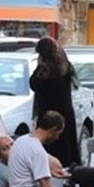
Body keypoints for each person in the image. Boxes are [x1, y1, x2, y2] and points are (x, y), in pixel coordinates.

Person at [30, 36, 80, 167]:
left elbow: (34, 83)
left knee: (52, 148)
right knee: (67, 149)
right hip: (65, 113)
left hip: (50, 116)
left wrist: (39, 67)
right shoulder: (64, 66)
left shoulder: (47, 72)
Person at [0, 135, 70, 187]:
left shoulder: (26, 158)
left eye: (12, 145)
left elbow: (56, 166)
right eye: (5, 149)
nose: (11, 149)